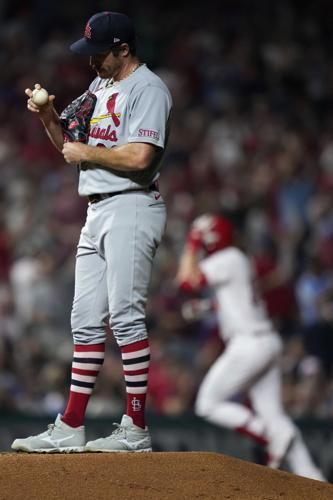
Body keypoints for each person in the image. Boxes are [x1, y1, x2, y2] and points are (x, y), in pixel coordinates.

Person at [11, 11, 172, 453]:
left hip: (132, 205)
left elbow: (142, 158)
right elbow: (69, 144)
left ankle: (135, 427)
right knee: (84, 323)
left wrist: (89, 152)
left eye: (99, 54)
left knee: (125, 317)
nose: (91, 62)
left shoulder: (149, 89)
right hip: (97, 209)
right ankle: (71, 423)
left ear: (123, 49)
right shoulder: (101, 86)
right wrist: (47, 116)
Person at [176, 213, 326, 481]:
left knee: (207, 403)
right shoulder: (237, 258)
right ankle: (312, 476)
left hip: (248, 345)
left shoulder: (225, 259)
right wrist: (208, 307)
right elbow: (237, 300)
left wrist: (192, 242)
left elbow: (186, 281)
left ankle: (269, 435)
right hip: (264, 341)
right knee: (274, 415)